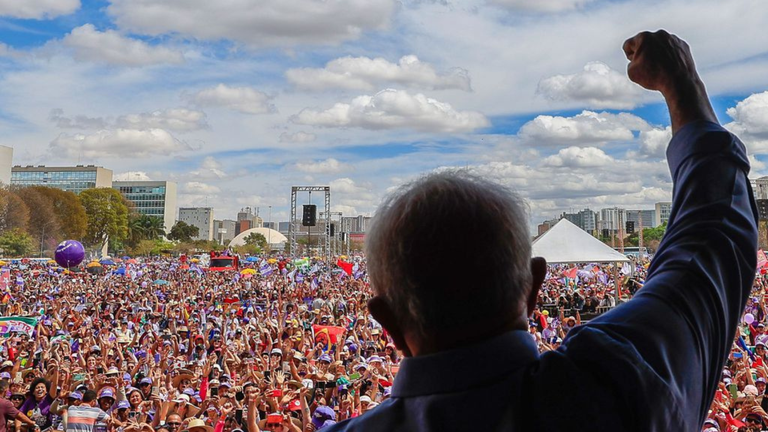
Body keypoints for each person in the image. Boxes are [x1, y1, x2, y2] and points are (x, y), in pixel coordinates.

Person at [325, 30, 758, 430]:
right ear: (533, 287)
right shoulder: (621, 384)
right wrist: (683, 86)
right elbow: (710, 239)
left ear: (386, 322)